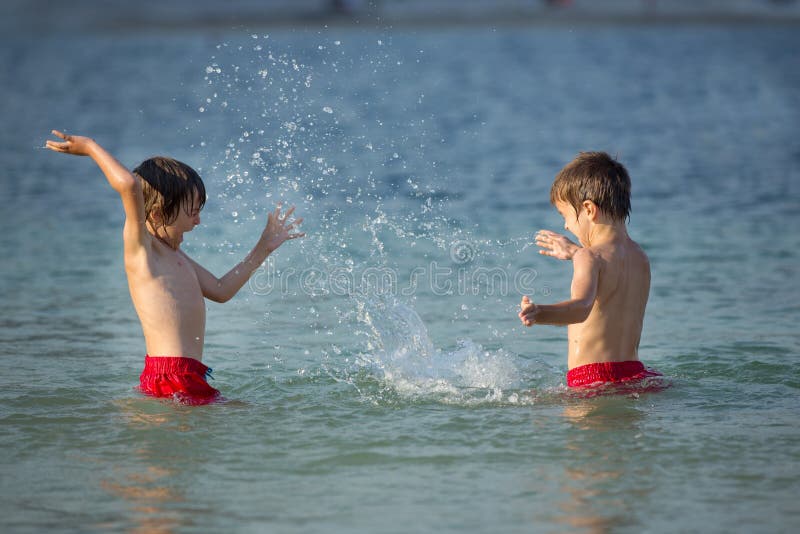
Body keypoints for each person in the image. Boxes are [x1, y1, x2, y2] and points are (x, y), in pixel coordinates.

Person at [46, 130, 304, 404]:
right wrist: (90, 147)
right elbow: (129, 186)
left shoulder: (177, 256)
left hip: (187, 377)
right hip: (170, 378)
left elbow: (221, 290)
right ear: (156, 214)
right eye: (192, 212)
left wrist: (263, 247)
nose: (198, 222)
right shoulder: (142, 250)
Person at [518, 151, 660, 388]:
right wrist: (576, 253)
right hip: (633, 374)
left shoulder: (589, 257)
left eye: (565, 215)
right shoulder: (640, 257)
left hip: (592, 379)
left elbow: (581, 308)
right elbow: (609, 277)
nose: (565, 225)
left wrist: (539, 313)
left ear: (589, 209)